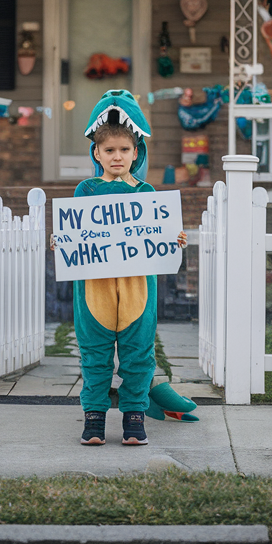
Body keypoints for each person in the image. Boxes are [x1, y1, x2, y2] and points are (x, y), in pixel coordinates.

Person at [63, 90, 186, 446]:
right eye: (110, 150)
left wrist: (173, 239)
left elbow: (159, 235)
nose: (117, 157)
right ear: (97, 153)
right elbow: (77, 232)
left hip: (136, 288)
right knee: (95, 355)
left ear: (136, 153)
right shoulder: (85, 190)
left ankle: (134, 417)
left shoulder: (147, 193)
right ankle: (94, 419)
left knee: (138, 352)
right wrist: (64, 241)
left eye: (124, 150)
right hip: (94, 289)